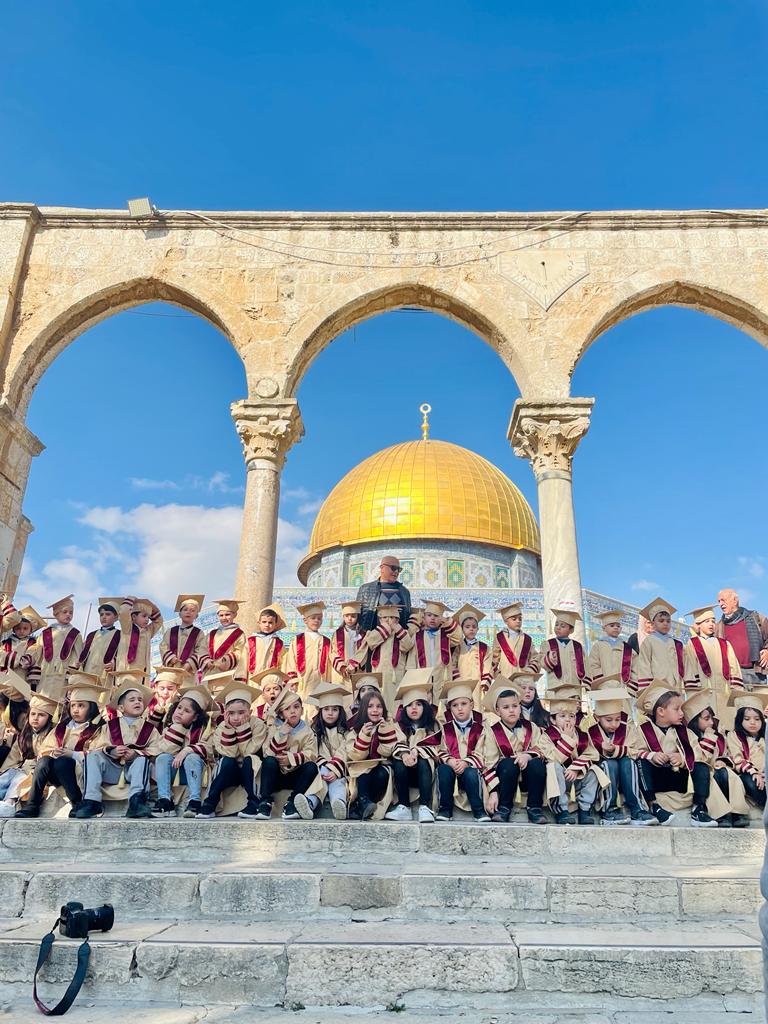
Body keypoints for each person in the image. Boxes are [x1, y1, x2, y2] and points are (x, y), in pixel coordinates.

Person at [74, 671, 161, 819]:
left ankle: (136, 802)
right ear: (120, 708)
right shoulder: (110, 726)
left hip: (134, 771)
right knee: (94, 756)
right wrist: (111, 751)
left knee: (141, 760)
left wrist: (136, 754)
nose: (137, 702)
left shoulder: (149, 728)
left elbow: (158, 748)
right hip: (112, 769)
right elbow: (97, 746)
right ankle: (91, 801)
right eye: (132, 700)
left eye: (140, 700)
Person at [15, 673, 104, 818]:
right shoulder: (62, 727)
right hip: (57, 773)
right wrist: (53, 753)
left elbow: (99, 754)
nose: (75, 710)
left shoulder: (99, 729)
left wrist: (72, 754)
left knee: (63, 762)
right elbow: (45, 748)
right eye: (73, 705)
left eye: (81, 705)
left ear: (92, 707)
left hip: (81, 774)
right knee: (44, 761)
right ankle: (32, 805)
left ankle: (77, 803)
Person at [634, 683, 718, 827]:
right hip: (656, 780)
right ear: (661, 711)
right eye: (677, 709)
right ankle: (654, 806)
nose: (682, 713)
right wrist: (651, 755)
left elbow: (701, 754)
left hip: (678, 778)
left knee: (701, 766)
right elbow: (633, 750)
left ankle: (699, 809)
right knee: (641, 762)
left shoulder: (685, 732)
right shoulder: (641, 730)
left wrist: (683, 758)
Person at [478, 676, 547, 824]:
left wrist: (527, 755)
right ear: (498, 711)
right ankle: (504, 808)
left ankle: (534, 808)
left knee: (537, 764)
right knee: (509, 764)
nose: (511, 710)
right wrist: (493, 792)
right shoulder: (491, 731)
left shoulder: (531, 727)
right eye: (506, 707)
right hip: (505, 777)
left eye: (515, 706)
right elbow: (488, 763)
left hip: (529, 777)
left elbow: (541, 748)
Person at [586, 685, 655, 826]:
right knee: (608, 764)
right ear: (597, 717)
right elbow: (589, 755)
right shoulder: (590, 732)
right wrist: (603, 751)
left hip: (625, 772)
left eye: (617, 719)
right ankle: (608, 809)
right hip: (603, 774)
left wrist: (615, 749)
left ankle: (636, 808)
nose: (614, 724)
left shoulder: (627, 729)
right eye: (609, 720)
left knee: (628, 762)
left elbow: (634, 751)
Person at [197, 679, 265, 819]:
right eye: (231, 713)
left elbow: (248, 751)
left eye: (241, 712)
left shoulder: (258, 725)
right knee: (226, 761)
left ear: (250, 711)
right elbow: (231, 753)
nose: (236, 717)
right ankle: (210, 804)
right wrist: (229, 729)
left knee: (250, 759)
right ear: (226, 713)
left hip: (250, 772)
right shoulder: (222, 727)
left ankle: (253, 803)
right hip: (231, 771)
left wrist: (243, 729)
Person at [540, 684, 606, 825]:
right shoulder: (547, 736)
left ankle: (584, 809)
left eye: (571, 716)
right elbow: (552, 757)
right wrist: (567, 739)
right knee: (553, 767)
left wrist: (576, 768)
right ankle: (561, 811)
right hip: (559, 778)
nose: (568, 720)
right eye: (562, 716)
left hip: (576, 775)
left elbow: (592, 755)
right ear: (553, 719)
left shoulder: (582, 735)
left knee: (595, 771)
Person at [683, 690, 749, 828]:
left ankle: (737, 813)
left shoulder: (718, 734)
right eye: (706, 719)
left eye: (711, 718)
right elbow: (698, 758)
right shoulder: (688, 735)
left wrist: (723, 760)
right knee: (712, 779)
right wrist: (707, 738)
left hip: (718, 769)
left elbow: (726, 753)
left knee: (729, 775)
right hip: (702, 774)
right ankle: (720, 815)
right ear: (695, 720)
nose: (712, 722)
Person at [256, 686, 319, 820]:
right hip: (276, 775)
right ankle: (265, 802)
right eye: (287, 709)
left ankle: (293, 801)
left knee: (311, 767)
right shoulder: (274, 728)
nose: (292, 711)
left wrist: (291, 759)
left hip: (294, 774)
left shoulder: (307, 731)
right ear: (281, 714)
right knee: (269, 761)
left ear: (302, 710)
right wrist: (281, 734)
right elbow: (267, 752)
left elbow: (311, 753)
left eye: (296, 707)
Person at [152, 684, 213, 818]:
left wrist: (186, 751)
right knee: (163, 757)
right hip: (174, 771)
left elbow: (209, 749)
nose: (180, 712)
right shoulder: (169, 727)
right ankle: (165, 801)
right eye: (179, 707)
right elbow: (164, 749)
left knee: (192, 757)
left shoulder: (205, 730)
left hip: (195, 771)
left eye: (186, 711)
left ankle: (194, 801)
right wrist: (178, 728)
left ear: (195, 717)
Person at [388, 672, 442, 822]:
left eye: (418, 704)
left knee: (425, 760)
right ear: (404, 708)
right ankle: (404, 806)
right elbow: (395, 743)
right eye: (410, 705)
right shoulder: (398, 726)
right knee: (398, 760)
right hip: (405, 772)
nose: (414, 708)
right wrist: (405, 754)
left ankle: (425, 807)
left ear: (425, 706)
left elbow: (437, 746)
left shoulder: (434, 725)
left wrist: (417, 751)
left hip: (426, 773)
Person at [346, 689, 404, 820]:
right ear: (363, 709)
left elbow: (388, 751)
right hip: (361, 770)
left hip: (382, 768)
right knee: (362, 772)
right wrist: (364, 736)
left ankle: (361, 805)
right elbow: (355, 756)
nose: (375, 710)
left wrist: (385, 733)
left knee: (381, 773)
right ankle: (363, 803)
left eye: (379, 706)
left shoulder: (390, 725)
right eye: (370, 706)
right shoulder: (355, 730)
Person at [436, 678, 487, 822]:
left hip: (471, 770)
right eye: (455, 705)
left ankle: (479, 811)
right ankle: (445, 810)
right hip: (452, 770)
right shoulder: (445, 728)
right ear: (450, 708)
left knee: (471, 773)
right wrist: (450, 760)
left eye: (464, 704)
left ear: (472, 704)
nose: (460, 708)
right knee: (443, 770)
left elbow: (483, 751)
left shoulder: (481, 727)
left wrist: (466, 762)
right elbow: (440, 750)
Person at [0, 692, 57, 816]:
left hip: (38, 772)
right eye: (33, 714)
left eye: (41, 715)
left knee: (19, 778)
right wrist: (8, 770)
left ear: (50, 718)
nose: (36, 718)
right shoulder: (23, 736)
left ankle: (10, 803)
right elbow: (13, 757)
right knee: (9, 774)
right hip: (21, 769)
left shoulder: (54, 734)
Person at [684, 605, 742, 724]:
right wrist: (695, 695)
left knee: (728, 726)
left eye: (713, 621)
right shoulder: (692, 644)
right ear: (698, 624)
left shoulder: (724, 644)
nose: (711, 624)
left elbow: (734, 669)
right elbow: (690, 671)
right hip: (704, 695)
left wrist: (736, 692)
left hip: (724, 694)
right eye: (707, 621)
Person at [302, 680, 350, 820]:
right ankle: (312, 802)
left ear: (340, 712)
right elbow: (313, 752)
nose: (330, 713)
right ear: (320, 710)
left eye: (335, 709)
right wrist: (327, 769)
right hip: (321, 769)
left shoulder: (346, 732)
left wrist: (334, 770)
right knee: (322, 776)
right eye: (326, 709)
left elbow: (345, 752)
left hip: (341, 771)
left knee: (337, 780)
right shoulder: (313, 731)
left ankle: (337, 803)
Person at [351, 604, 414, 709]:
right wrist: (385, 629)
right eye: (385, 618)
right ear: (380, 620)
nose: (389, 621)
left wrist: (397, 629)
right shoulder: (374, 633)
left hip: (396, 675)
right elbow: (371, 642)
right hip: (378, 673)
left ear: (398, 620)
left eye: (393, 618)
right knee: (378, 700)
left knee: (395, 703)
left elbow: (407, 646)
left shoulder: (403, 633)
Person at [27, 595, 83, 701]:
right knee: (41, 700)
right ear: (55, 614)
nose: (68, 615)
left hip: (63, 675)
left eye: (71, 612)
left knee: (59, 702)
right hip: (45, 673)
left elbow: (78, 655)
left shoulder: (75, 634)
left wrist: (74, 672)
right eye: (65, 612)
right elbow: (37, 651)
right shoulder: (46, 633)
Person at [716, 589, 768, 690]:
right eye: (719, 601)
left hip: (756, 672)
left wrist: (767, 651)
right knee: (739, 705)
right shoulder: (719, 626)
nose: (720, 604)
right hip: (734, 676)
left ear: (735, 600)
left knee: (759, 704)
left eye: (723, 600)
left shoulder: (756, 618)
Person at [405, 600, 461, 691]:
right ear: (424, 617)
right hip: (422, 678)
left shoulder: (446, 636)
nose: (432, 618)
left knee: (441, 703)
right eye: (429, 615)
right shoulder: (418, 636)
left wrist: (447, 621)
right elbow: (411, 661)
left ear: (441, 618)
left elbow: (458, 636)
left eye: (436, 616)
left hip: (442, 678)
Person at [635, 598, 685, 694]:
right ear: (653, 623)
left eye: (668, 621)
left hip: (675, 688)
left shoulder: (676, 644)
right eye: (661, 621)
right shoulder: (648, 642)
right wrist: (647, 691)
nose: (665, 623)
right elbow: (644, 667)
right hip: (657, 688)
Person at [726, 691, 767, 811]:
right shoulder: (734, 736)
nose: (753, 722)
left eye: (757, 719)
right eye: (747, 719)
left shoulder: (765, 736)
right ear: (740, 720)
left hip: (765, 774)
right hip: (748, 773)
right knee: (751, 782)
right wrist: (754, 772)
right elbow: (737, 759)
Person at [283, 601, 332, 702]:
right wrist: (293, 680)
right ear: (305, 620)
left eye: (319, 618)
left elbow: (329, 665)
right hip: (301, 683)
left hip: (320, 682)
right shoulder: (298, 640)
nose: (316, 621)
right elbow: (291, 662)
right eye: (313, 618)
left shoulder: (326, 641)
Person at [356, 556, 412, 633]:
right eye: (393, 568)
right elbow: (357, 616)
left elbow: (407, 616)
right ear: (382, 568)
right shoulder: (365, 589)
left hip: (397, 641)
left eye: (398, 569)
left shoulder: (405, 592)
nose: (396, 572)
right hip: (373, 639)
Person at [587, 609, 637, 694]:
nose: (615, 627)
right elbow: (593, 665)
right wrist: (601, 683)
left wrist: (631, 686)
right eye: (612, 625)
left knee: (622, 707)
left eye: (618, 626)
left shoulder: (627, 648)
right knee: (607, 706)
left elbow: (636, 667)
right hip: (604, 687)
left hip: (623, 688)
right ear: (604, 628)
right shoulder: (598, 646)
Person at [541, 609, 589, 692]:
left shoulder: (578, 647)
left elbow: (586, 665)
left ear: (571, 630)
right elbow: (541, 661)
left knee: (573, 704)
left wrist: (587, 685)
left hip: (574, 686)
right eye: (556, 625)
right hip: (556, 686)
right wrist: (549, 658)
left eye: (563, 626)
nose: (558, 627)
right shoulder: (548, 644)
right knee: (559, 705)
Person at [453, 604, 493, 701]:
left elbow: (488, 666)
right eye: (467, 626)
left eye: (474, 627)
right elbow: (453, 664)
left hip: (477, 685)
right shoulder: (457, 646)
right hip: (461, 683)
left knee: (477, 709)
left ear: (478, 629)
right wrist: (457, 679)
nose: (471, 629)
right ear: (462, 629)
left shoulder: (484, 648)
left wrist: (484, 682)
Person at [160, 595, 208, 674]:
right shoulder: (171, 631)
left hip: (188, 672)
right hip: (170, 669)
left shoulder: (199, 633)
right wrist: (171, 658)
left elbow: (200, 651)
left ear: (196, 616)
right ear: (179, 614)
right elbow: (163, 646)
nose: (188, 612)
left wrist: (189, 664)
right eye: (185, 609)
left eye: (192, 610)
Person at [203, 599, 246, 685]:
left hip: (227, 673)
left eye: (227, 614)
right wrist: (206, 660)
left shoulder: (239, 634)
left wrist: (226, 660)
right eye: (221, 615)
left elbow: (240, 652)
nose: (224, 618)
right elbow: (202, 649)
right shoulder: (212, 634)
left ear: (234, 615)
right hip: (209, 673)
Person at [115, 597, 163, 675]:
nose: (147, 619)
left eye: (148, 617)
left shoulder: (148, 631)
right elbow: (124, 612)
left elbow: (159, 621)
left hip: (142, 674)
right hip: (126, 671)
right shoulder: (127, 628)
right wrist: (131, 599)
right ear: (133, 617)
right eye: (144, 616)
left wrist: (153, 608)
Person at [492, 602, 540, 677]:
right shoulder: (499, 638)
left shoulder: (527, 639)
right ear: (506, 621)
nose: (518, 621)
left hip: (523, 679)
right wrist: (497, 675)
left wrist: (530, 671)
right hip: (505, 678)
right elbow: (494, 659)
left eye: (520, 619)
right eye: (514, 619)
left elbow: (535, 658)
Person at [77, 599, 121, 681]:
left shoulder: (119, 635)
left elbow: (121, 655)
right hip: (88, 673)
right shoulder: (91, 635)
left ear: (115, 617)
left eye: (108, 614)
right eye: (101, 615)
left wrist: (114, 664)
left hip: (105, 675)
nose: (104, 617)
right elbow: (85, 654)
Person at [2, 605, 45, 679]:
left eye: (25, 628)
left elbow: (32, 657)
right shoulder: (6, 642)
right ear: (14, 629)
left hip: (23, 675)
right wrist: (18, 660)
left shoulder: (33, 643)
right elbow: (1, 655)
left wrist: (15, 659)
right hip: (6, 675)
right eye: (18, 628)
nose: (22, 631)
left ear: (31, 630)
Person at [244, 603, 287, 677]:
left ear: (275, 625)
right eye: (264, 622)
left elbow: (283, 662)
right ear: (259, 623)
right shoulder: (251, 640)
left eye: (270, 622)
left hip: (271, 679)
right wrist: (241, 678)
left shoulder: (278, 643)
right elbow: (243, 661)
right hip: (252, 677)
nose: (267, 625)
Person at [330, 601, 363, 686]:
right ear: (343, 617)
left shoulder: (362, 634)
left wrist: (353, 666)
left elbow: (363, 652)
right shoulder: (337, 634)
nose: (350, 618)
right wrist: (342, 667)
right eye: (347, 616)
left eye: (353, 616)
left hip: (357, 672)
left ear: (357, 617)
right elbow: (333, 652)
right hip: (341, 672)